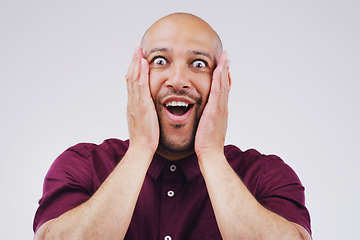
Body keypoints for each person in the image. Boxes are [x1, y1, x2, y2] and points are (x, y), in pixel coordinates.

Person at [33, 13, 311, 240]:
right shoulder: (83, 165)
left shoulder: (265, 175)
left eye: (198, 63)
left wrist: (211, 154)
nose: (178, 80)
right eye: (160, 61)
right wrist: (141, 147)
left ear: (220, 80)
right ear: (137, 75)